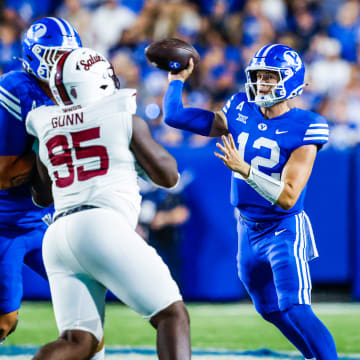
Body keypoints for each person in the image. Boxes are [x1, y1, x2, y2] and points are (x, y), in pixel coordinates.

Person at [163, 43, 338, 359]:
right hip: (247, 229)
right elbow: (175, 116)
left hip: (283, 229)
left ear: (291, 81)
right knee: (269, 309)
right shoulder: (240, 107)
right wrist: (177, 79)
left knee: (295, 309)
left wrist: (245, 169)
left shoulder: (307, 125)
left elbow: (288, 197)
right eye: (258, 76)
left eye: (270, 77)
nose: (261, 84)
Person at [26, 47, 191, 360]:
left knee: (79, 342)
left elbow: (42, 196)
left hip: (59, 234)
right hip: (102, 225)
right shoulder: (122, 115)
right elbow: (169, 176)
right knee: (172, 315)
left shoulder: (45, 122)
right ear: (99, 80)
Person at [0, 16, 81, 345]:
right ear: (34, 55)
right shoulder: (16, 89)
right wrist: (45, 144)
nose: (62, 63)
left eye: (67, 56)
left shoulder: (78, 89)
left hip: (43, 219)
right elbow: (3, 177)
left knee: (84, 289)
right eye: (54, 56)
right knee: (5, 320)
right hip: (5, 222)